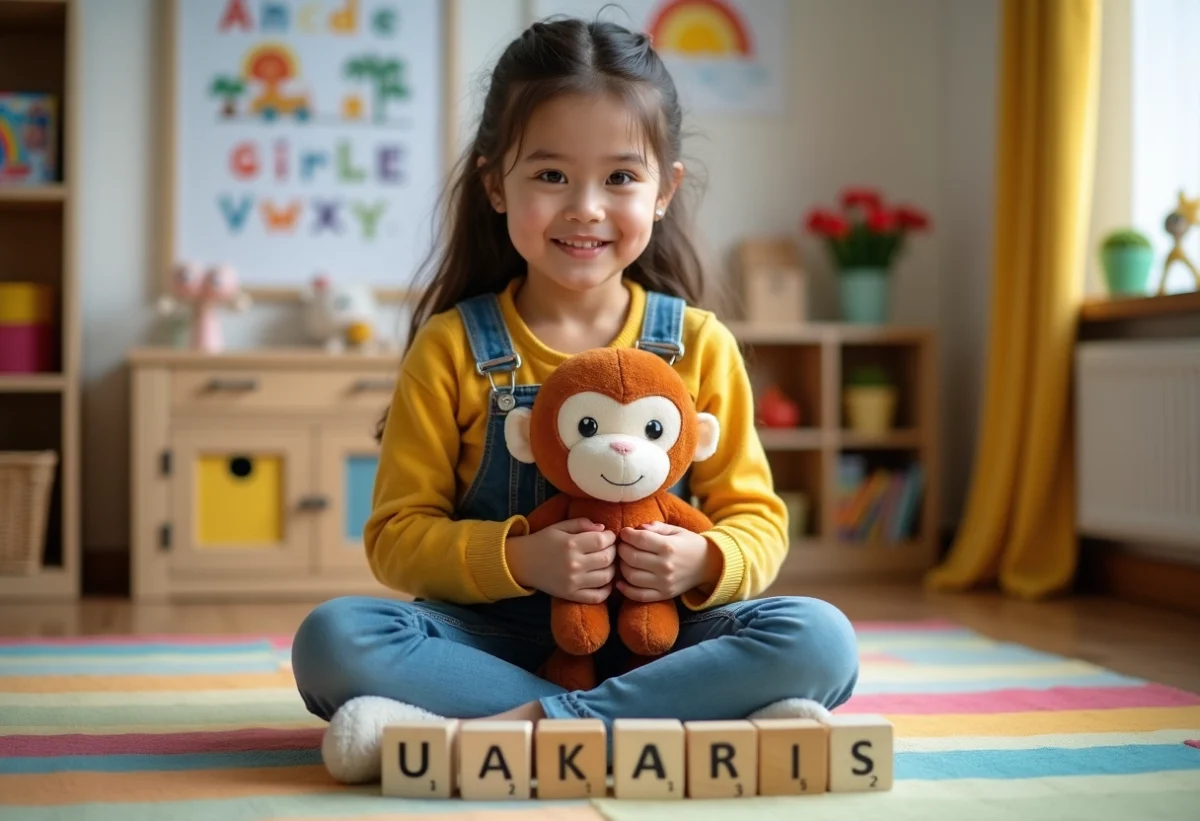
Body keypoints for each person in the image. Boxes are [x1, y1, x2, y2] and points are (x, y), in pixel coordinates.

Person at [291, 16, 859, 784]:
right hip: (490, 639)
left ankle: (529, 731)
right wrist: (521, 557)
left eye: (621, 177)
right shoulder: (454, 346)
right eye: (551, 175)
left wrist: (704, 557)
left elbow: (757, 520)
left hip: (667, 636)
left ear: (665, 191)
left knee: (820, 639)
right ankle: (669, 722)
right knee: (333, 640)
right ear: (496, 183)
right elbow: (397, 536)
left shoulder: (700, 344)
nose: (586, 207)